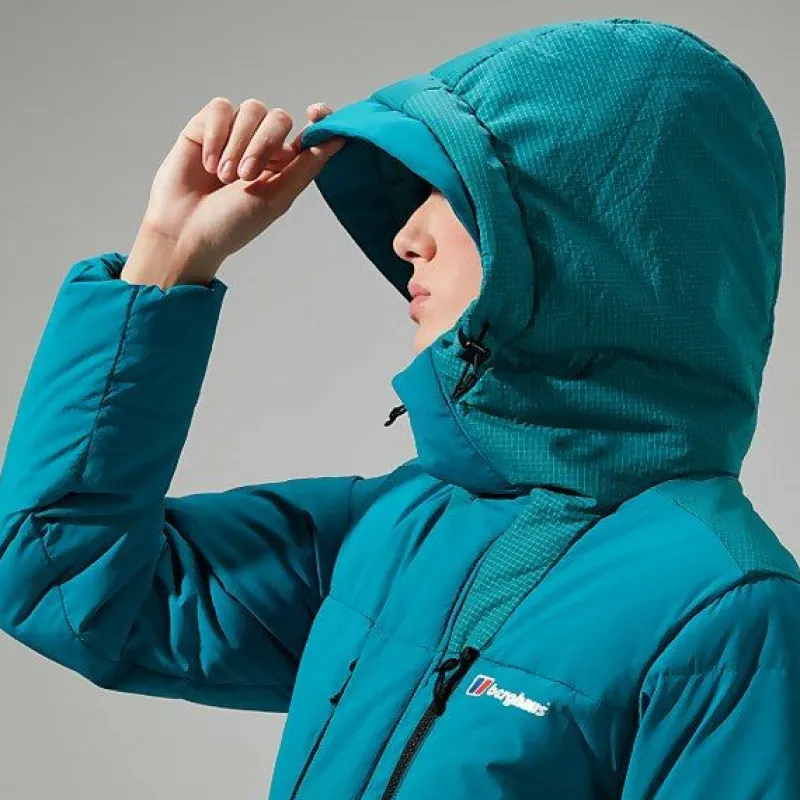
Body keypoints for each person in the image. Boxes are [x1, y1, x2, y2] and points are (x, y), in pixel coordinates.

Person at [1, 15, 798, 800]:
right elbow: (61, 576)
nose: (406, 235)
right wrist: (170, 253)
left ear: (594, 246)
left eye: (457, 193)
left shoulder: (728, 614)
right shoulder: (399, 524)